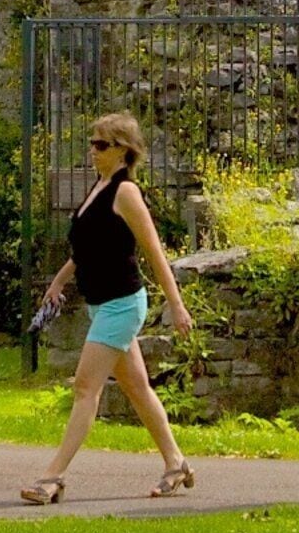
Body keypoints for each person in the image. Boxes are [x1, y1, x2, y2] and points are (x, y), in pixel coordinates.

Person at [22, 113, 197, 504]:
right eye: (92, 142)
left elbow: (154, 253)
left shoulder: (125, 192)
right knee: (137, 388)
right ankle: (176, 463)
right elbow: (86, 249)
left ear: (123, 150)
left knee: (86, 388)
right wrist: (58, 281)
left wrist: (177, 305)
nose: (92, 150)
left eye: (101, 145)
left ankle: (53, 477)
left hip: (122, 304)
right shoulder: (98, 187)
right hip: (100, 305)